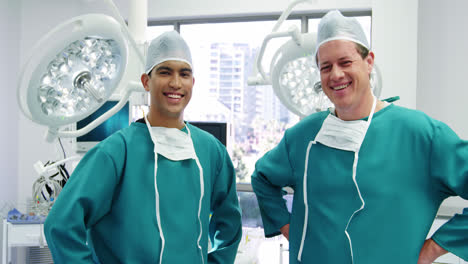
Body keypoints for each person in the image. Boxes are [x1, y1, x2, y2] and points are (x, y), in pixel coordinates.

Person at [251, 10, 468, 264]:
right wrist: (291, 231)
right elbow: (263, 178)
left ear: (369, 61)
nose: (336, 75)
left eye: (345, 62)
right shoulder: (303, 136)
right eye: (326, 67)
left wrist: (432, 249)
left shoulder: (420, 134)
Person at [44, 30, 242, 263]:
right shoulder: (116, 152)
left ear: (192, 83)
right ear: (146, 82)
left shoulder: (211, 151)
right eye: (165, 72)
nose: (176, 83)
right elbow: (61, 224)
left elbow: (229, 224)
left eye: (184, 74)